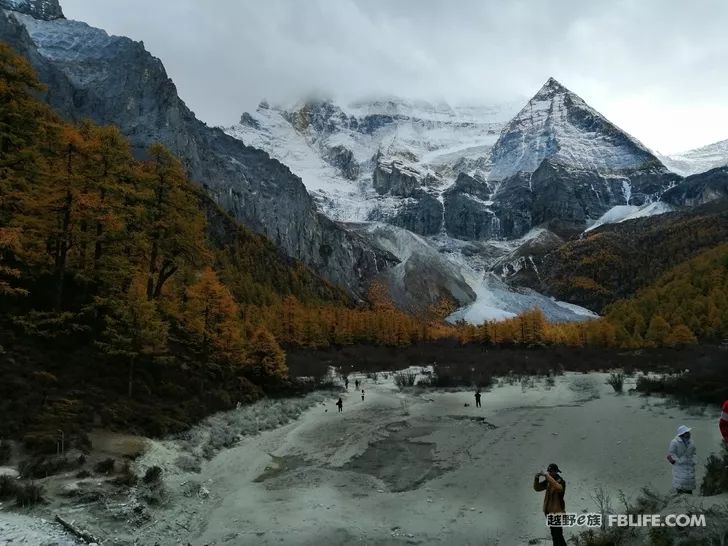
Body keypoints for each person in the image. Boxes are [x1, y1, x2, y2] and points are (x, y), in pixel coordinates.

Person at [533, 463, 567, 546]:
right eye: (548, 472)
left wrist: (547, 477)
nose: (548, 473)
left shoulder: (561, 481)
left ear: (555, 472)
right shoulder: (549, 481)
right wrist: (536, 478)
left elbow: (558, 488)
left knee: (558, 535)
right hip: (549, 513)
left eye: (550, 471)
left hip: (557, 513)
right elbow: (537, 488)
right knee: (555, 535)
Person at [667, 425, 696, 494]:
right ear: (682, 434)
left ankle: (689, 499)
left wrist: (693, 460)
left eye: (688, 432)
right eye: (686, 432)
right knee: (680, 484)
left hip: (690, 466)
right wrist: (678, 461)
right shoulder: (674, 442)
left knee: (689, 485)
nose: (688, 434)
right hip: (680, 467)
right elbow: (671, 454)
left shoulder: (691, 442)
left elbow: (694, 452)